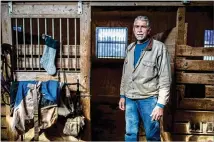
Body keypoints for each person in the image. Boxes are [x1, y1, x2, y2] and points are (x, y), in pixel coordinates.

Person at [119, 16, 171, 141]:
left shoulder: (159, 48)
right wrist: (122, 95)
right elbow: (125, 74)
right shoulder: (130, 48)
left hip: (149, 100)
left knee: (152, 136)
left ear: (149, 30)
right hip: (130, 99)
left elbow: (165, 78)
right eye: (137, 27)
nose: (140, 30)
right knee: (130, 134)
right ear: (133, 29)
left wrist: (160, 104)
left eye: (143, 27)